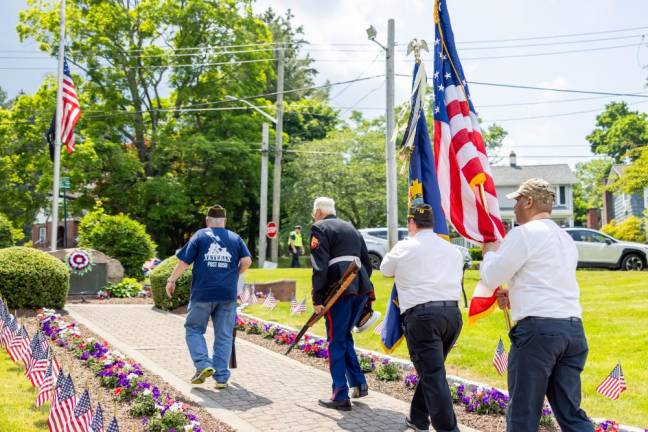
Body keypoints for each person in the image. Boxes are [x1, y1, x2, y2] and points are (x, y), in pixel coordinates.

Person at [480, 178, 593, 432]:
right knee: (570, 413)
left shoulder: (524, 233)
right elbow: (546, 280)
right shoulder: (565, 238)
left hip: (538, 334)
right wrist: (517, 295)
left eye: (517, 201)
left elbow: (491, 276)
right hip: (572, 330)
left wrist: (488, 253)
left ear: (529, 201)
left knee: (523, 413)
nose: (515, 208)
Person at [380, 204, 463, 432]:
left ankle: (448, 429)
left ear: (411, 223)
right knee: (432, 371)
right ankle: (417, 419)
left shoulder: (405, 246)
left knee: (433, 375)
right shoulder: (452, 249)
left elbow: (385, 270)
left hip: (423, 317)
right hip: (452, 316)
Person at [166, 204, 252, 389]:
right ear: (225, 221)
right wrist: (236, 273)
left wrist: (171, 280)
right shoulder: (235, 238)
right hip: (227, 295)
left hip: (202, 293)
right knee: (224, 335)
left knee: (194, 329)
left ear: (207, 221)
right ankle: (221, 378)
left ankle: (203, 364)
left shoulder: (200, 235)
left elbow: (184, 262)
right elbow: (246, 261)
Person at [309, 197, 374, 411]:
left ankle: (340, 394)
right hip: (360, 287)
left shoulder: (319, 227)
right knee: (344, 336)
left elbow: (320, 266)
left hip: (339, 290)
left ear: (318, 212)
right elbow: (367, 262)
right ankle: (359, 382)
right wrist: (359, 283)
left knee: (335, 340)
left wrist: (318, 299)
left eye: (313, 212)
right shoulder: (352, 228)